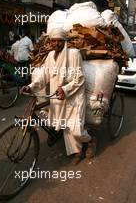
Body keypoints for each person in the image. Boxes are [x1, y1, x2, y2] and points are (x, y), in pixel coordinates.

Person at [21, 28, 96, 164]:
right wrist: (31, 87)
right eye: (53, 41)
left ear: (64, 41)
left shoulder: (74, 54)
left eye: (59, 41)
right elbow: (44, 76)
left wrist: (65, 89)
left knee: (76, 130)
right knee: (66, 128)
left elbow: (79, 79)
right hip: (58, 98)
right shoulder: (50, 56)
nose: (56, 44)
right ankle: (78, 153)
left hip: (74, 97)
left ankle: (90, 141)